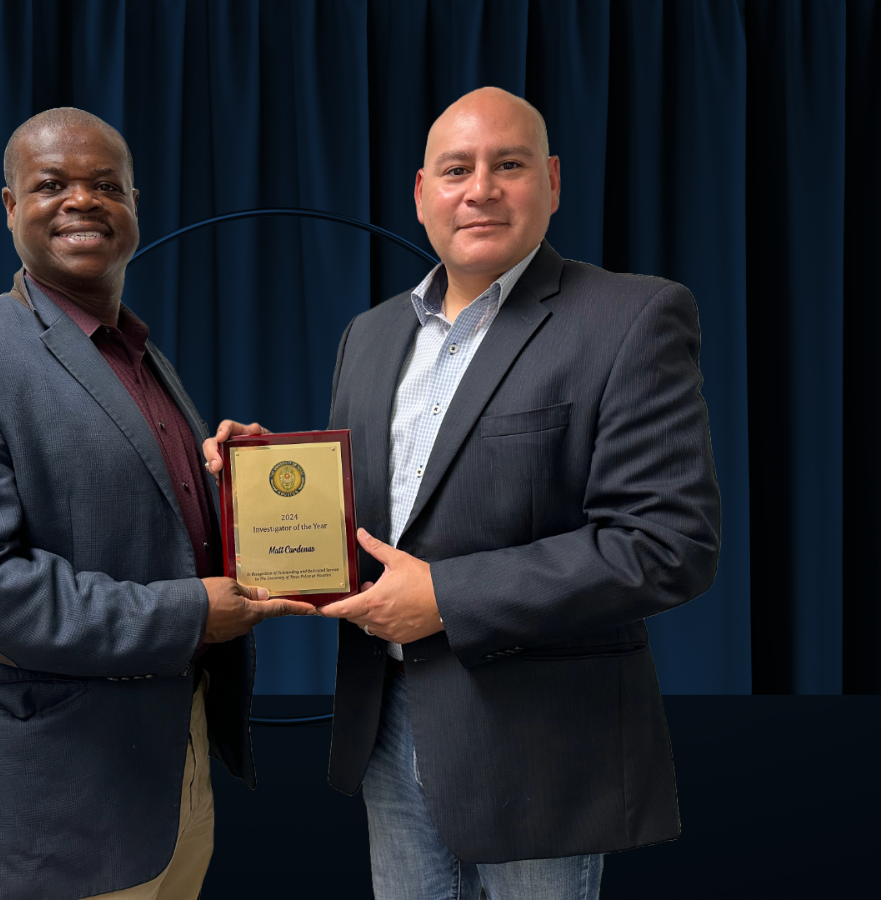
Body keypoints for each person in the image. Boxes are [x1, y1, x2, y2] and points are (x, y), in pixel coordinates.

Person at [204, 87, 720, 900]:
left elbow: (666, 546)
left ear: (550, 180)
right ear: (421, 195)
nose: (479, 189)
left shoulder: (632, 317)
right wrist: (267, 478)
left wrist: (448, 595)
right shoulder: (369, 335)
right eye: (456, 169)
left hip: (540, 745)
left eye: (507, 165)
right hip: (385, 723)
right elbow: (374, 515)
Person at [0, 107, 315, 900]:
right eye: (51, 184)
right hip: (47, 812)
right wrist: (189, 615)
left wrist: (236, 493)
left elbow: (136, 524)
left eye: (105, 185)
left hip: (169, 788)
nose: (82, 200)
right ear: (11, 208)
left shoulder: (140, 356)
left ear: (134, 207)